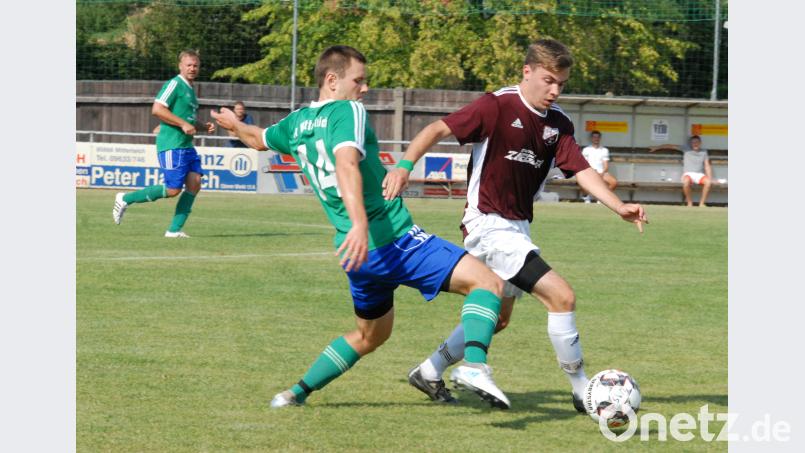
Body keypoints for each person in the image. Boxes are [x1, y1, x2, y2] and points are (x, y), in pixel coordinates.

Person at [211, 45, 513, 409]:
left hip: (358, 257)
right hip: (391, 239)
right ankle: (475, 366)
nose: (365, 88)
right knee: (490, 284)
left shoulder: (297, 123)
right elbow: (346, 164)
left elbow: (259, 140)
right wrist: (359, 223)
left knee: (370, 335)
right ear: (332, 80)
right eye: (360, 80)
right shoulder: (348, 110)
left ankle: (294, 394)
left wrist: (236, 125)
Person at [382, 39, 648, 411]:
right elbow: (436, 130)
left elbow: (582, 170)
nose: (555, 91)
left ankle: (429, 369)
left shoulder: (558, 124)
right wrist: (404, 166)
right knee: (562, 296)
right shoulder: (497, 105)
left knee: (498, 319)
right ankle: (582, 390)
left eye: (562, 84)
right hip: (487, 224)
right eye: (548, 80)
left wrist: (618, 206)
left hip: (516, 228)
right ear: (527, 72)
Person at [112, 49, 215, 237]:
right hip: (172, 145)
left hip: (186, 145)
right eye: (189, 65)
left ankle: (174, 230)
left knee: (195, 183)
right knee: (173, 189)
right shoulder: (174, 84)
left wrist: (202, 126)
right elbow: (157, 109)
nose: (192, 68)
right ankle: (125, 198)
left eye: (196, 65)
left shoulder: (191, 90)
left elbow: (188, 120)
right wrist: (183, 124)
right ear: (180, 66)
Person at [650, 135, 713, 207]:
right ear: (690, 144)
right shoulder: (686, 149)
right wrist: (657, 147)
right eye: (693, 142)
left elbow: (707, 165)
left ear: (700, 143)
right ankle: (689, 203)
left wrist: (710, 178)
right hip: (688, 174)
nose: (695, 144)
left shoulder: (704, 152)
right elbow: (670, 146)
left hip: (699, 175)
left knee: (708, 182)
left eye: (697, 142)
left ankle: (701, 203)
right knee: (686, 182)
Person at [580, 130, 617, 203]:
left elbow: (606, 165)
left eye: (597, 137)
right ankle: (586, 197)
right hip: (589, 172)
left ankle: (602, 198)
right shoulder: (586, 150)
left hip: (601, 172)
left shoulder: (604, 150)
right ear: (591, 138)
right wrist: (593, 172)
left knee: (613, 182)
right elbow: (584, 164)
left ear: (600, 138)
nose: (596, 139)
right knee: (582, 180)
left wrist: (602, 173)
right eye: (594, 137)